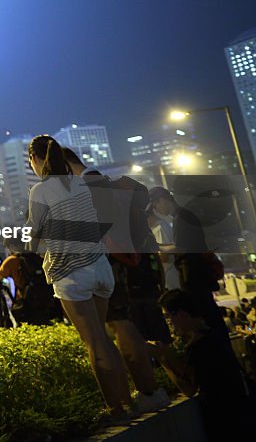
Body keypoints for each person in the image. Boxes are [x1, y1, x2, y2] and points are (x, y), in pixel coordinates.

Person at [25, 135, 134, 421]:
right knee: (104, 339)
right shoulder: (83, 184)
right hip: (100, 268)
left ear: (35, 160)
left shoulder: (40, 190)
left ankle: (115, 409)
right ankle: (126, 401)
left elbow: (33, 238)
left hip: (72, 274)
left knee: (94, 343)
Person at [63, 148, 169, 412]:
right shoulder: (99, 180)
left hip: (113, 263)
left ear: (66, 164)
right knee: (121, 327)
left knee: (121, 327)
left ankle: (146, 392)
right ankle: (148, 391)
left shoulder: (90, 182)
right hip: (125, 261)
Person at [149, 289, 249, 440]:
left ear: (182, 314)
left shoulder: (199, 345)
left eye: (168, 316)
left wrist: (163, 357)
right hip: (240, 417)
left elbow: (188, 388)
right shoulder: (212, 335)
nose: (168, 323)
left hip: (226, 423)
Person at [148, 187, 230, 350]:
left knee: (205, 317)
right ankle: (222, 350)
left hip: (194, 275)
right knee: (209, 316)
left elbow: (182, 248)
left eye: (156, 205)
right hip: (197, 274)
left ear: (163, 199)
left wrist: (158, 249)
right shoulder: (182, 216)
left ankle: (219, 352)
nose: (157, 210)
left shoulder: (181, 218)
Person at [0, 238, 59, 326]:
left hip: (27, 306)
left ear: (11, 246)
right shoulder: (37, 256)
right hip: (46, 301)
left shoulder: (11, 260)